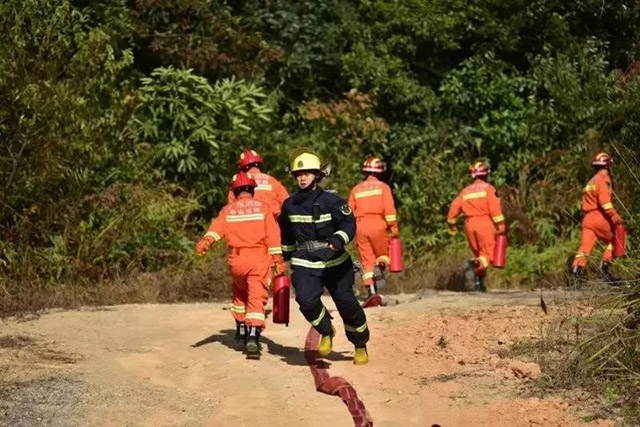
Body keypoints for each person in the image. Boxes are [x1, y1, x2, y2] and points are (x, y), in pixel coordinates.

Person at [279, 151, 370, 365]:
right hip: (305, 262)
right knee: (306, 300)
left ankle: (359, 344)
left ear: (317, 176)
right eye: (298, 174)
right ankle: (326, 330)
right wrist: (282, 260)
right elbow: (286, 234)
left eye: (307, 173)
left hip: (336, 264)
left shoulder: (332, 201)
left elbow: (349, 225)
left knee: (347, 304)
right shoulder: (289, 205)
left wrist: (338, 240)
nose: (302, 178)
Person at [196, 172, 285, 355]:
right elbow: (272, 237)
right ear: (252, 190)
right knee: (256, 296)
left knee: (239, 293)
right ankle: (252, 335)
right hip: (258, 259)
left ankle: (240, 326)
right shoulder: (263, 208)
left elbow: (215, 231)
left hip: (236, 262)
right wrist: (278, 260)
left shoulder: (228, 210)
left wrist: (205, 242)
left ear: (235, 192)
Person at [447, 161, 506, 292]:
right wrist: (500, 224)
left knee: (479, 254)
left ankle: (479, 285)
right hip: (484, 224)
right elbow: (495, 209)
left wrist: (452, 225)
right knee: (488, 255)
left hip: (469, 225)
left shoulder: (465, 191)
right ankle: (473, 265)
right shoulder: (489, 189)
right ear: (486, 175)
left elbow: (454, 207)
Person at [348, 156, 399, 305]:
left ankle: (371, 291)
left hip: (360, 226)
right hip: (378, 224)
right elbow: (389, 210)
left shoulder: (356, 189)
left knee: (366, 261)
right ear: (379, 172)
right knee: (383, 255)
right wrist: (393, 228)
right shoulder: (383, 187)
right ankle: (381, 266)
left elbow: (349, 212)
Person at [571, 152, 624, 284]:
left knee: (585, 248)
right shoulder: (603, 178)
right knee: (616, 238)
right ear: (606, 165)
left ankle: (575, 274)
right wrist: (615, 216)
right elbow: (604, 202)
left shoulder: (592, 180)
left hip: (587, 219)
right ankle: (604, 269)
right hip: (598, 217)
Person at [228, 149, 289, 218]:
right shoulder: (272, 181)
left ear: (241, 167)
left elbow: (231, 207)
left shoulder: (237, 184)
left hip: (247, 223)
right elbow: (286, 203)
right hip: (272, 222)